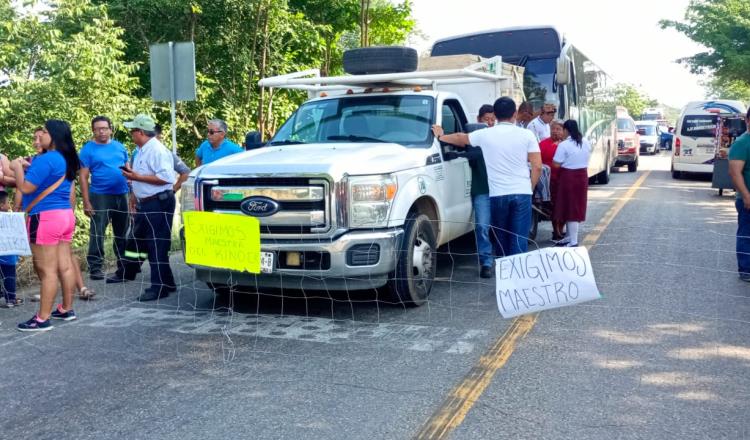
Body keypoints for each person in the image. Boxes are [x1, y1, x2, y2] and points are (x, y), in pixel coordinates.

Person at [433, 96, 543, 257]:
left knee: (501, 240)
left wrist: (440, 136)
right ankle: (519, 277)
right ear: (514, 114)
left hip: (498, 195)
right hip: (522, 193)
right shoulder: (527, 135)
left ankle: (505, 276)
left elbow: (459, 138)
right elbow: (537, 166)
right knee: (519, 240)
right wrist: (530, 188)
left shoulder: (485, 134)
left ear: (496, 115)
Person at [11, 120, 80, 332]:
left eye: (45, 132)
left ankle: (42, 319)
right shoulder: (66, 158)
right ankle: (66, 308)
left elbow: (24, 186)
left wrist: (15, 168)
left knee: (46, 270)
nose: (41, 134)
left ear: (54, 136)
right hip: (65, 215)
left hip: (45, 217)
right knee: (64, 265)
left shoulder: (47, 158)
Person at [114, 114, 177, 301]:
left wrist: (135, 178)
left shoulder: (157, 150)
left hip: (158, 201)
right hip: (148, 201)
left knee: (156, 243)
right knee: (150, 242)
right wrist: (135, 193)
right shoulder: (142, 149)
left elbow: (167, 178)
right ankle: (167, 282)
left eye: (132, 131)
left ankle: (159, 287)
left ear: (140, 132)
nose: (131, 134)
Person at [446, 105, 496, 278]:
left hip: (502, 190)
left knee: (503, 228)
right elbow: (467, 151)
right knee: (482, 226)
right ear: (478, 120)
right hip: (482, 189)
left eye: (492, 119)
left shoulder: (498, 138)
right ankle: (486, 262)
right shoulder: (473, 138)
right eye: (486, 119)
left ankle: (508, 262)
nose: (490, 123)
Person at [79, 116, 130, 280]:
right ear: (93, 130)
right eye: (98, 129)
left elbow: (129, 170)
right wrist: (86, 201)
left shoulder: (120, 147)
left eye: (104, 128)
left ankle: (124, 265)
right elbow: (83, 177)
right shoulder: (88, 149)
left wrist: (133, 192)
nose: (101, 131)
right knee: (97, 233)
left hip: (122, 194)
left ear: (110, 129)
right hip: (100, 195)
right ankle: (95, 267)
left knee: (123, 232)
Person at [552, 120, 591, 247]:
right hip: (582, 176)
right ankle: (569, 237)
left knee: (570, 208)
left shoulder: (564, 145)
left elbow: (556, 164)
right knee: (574, 206)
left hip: (568, 177)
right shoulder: (585, 142)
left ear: (566, 130)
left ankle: (573, 241)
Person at [728, 108, 750, 282]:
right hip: (747, 199)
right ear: (748, 121)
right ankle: (746, 269)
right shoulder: (742, 143)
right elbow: (735, 173)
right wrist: (746, 196)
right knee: (746, 234)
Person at [539, 119, 566, 240]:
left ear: (563, 131)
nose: (555, 131)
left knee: (565, 205)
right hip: (549, 181)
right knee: (554, 206)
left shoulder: (567, 145)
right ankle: (556, 230)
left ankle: (561, 228)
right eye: (553, 129)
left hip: (564, 180)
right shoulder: (543, 144)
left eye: (558, 129)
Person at [0, 191, 22, 308]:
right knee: (9, 277)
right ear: (2, 205)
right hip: (8, 255)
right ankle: (11, 299)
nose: (9, 205)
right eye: (8, 203)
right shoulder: (9, 218)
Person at [154, 124, 191, 192]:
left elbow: (186, 172)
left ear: (159, 137)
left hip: (161, 198)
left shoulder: (166, 153)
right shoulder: (138, 153)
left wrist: (174, 189)